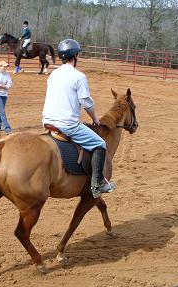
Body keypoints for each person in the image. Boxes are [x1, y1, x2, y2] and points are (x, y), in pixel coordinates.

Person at [42, 39, 116, 199]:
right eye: (78, 54)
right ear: (75, 55)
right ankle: (97, 185)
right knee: (100, 144)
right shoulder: (79, 76)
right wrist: (95, 118)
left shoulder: (53, 74)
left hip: (48, 121)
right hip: (67, 124)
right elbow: (86, 103)